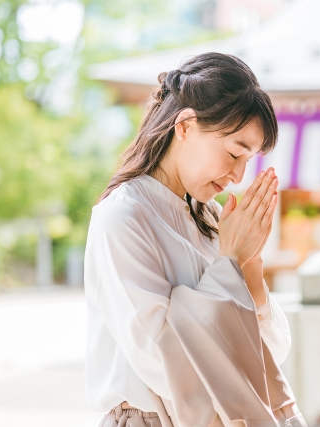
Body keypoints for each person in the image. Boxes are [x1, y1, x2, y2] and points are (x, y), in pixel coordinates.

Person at [84, 53, 306, 427]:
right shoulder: (124, 216)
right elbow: (160, 357)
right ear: (185, 125)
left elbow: (272, 351)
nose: (237, 175)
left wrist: (248, 269)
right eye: (234, 152)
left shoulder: (210, 218)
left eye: (248, 160)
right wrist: (228, 265)